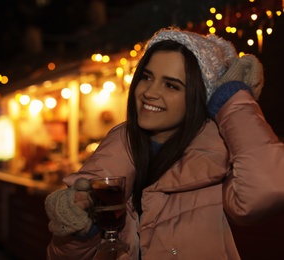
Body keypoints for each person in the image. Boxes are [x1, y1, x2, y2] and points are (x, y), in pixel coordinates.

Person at [44, 27, 284, 259]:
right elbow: (59, 256)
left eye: (171, 85)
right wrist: (81, 231)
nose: (149, 92)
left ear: (197, 98)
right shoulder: (115, 153)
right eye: (147, 77)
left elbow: (268, 187)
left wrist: (231, 100)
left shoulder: (218, 164)